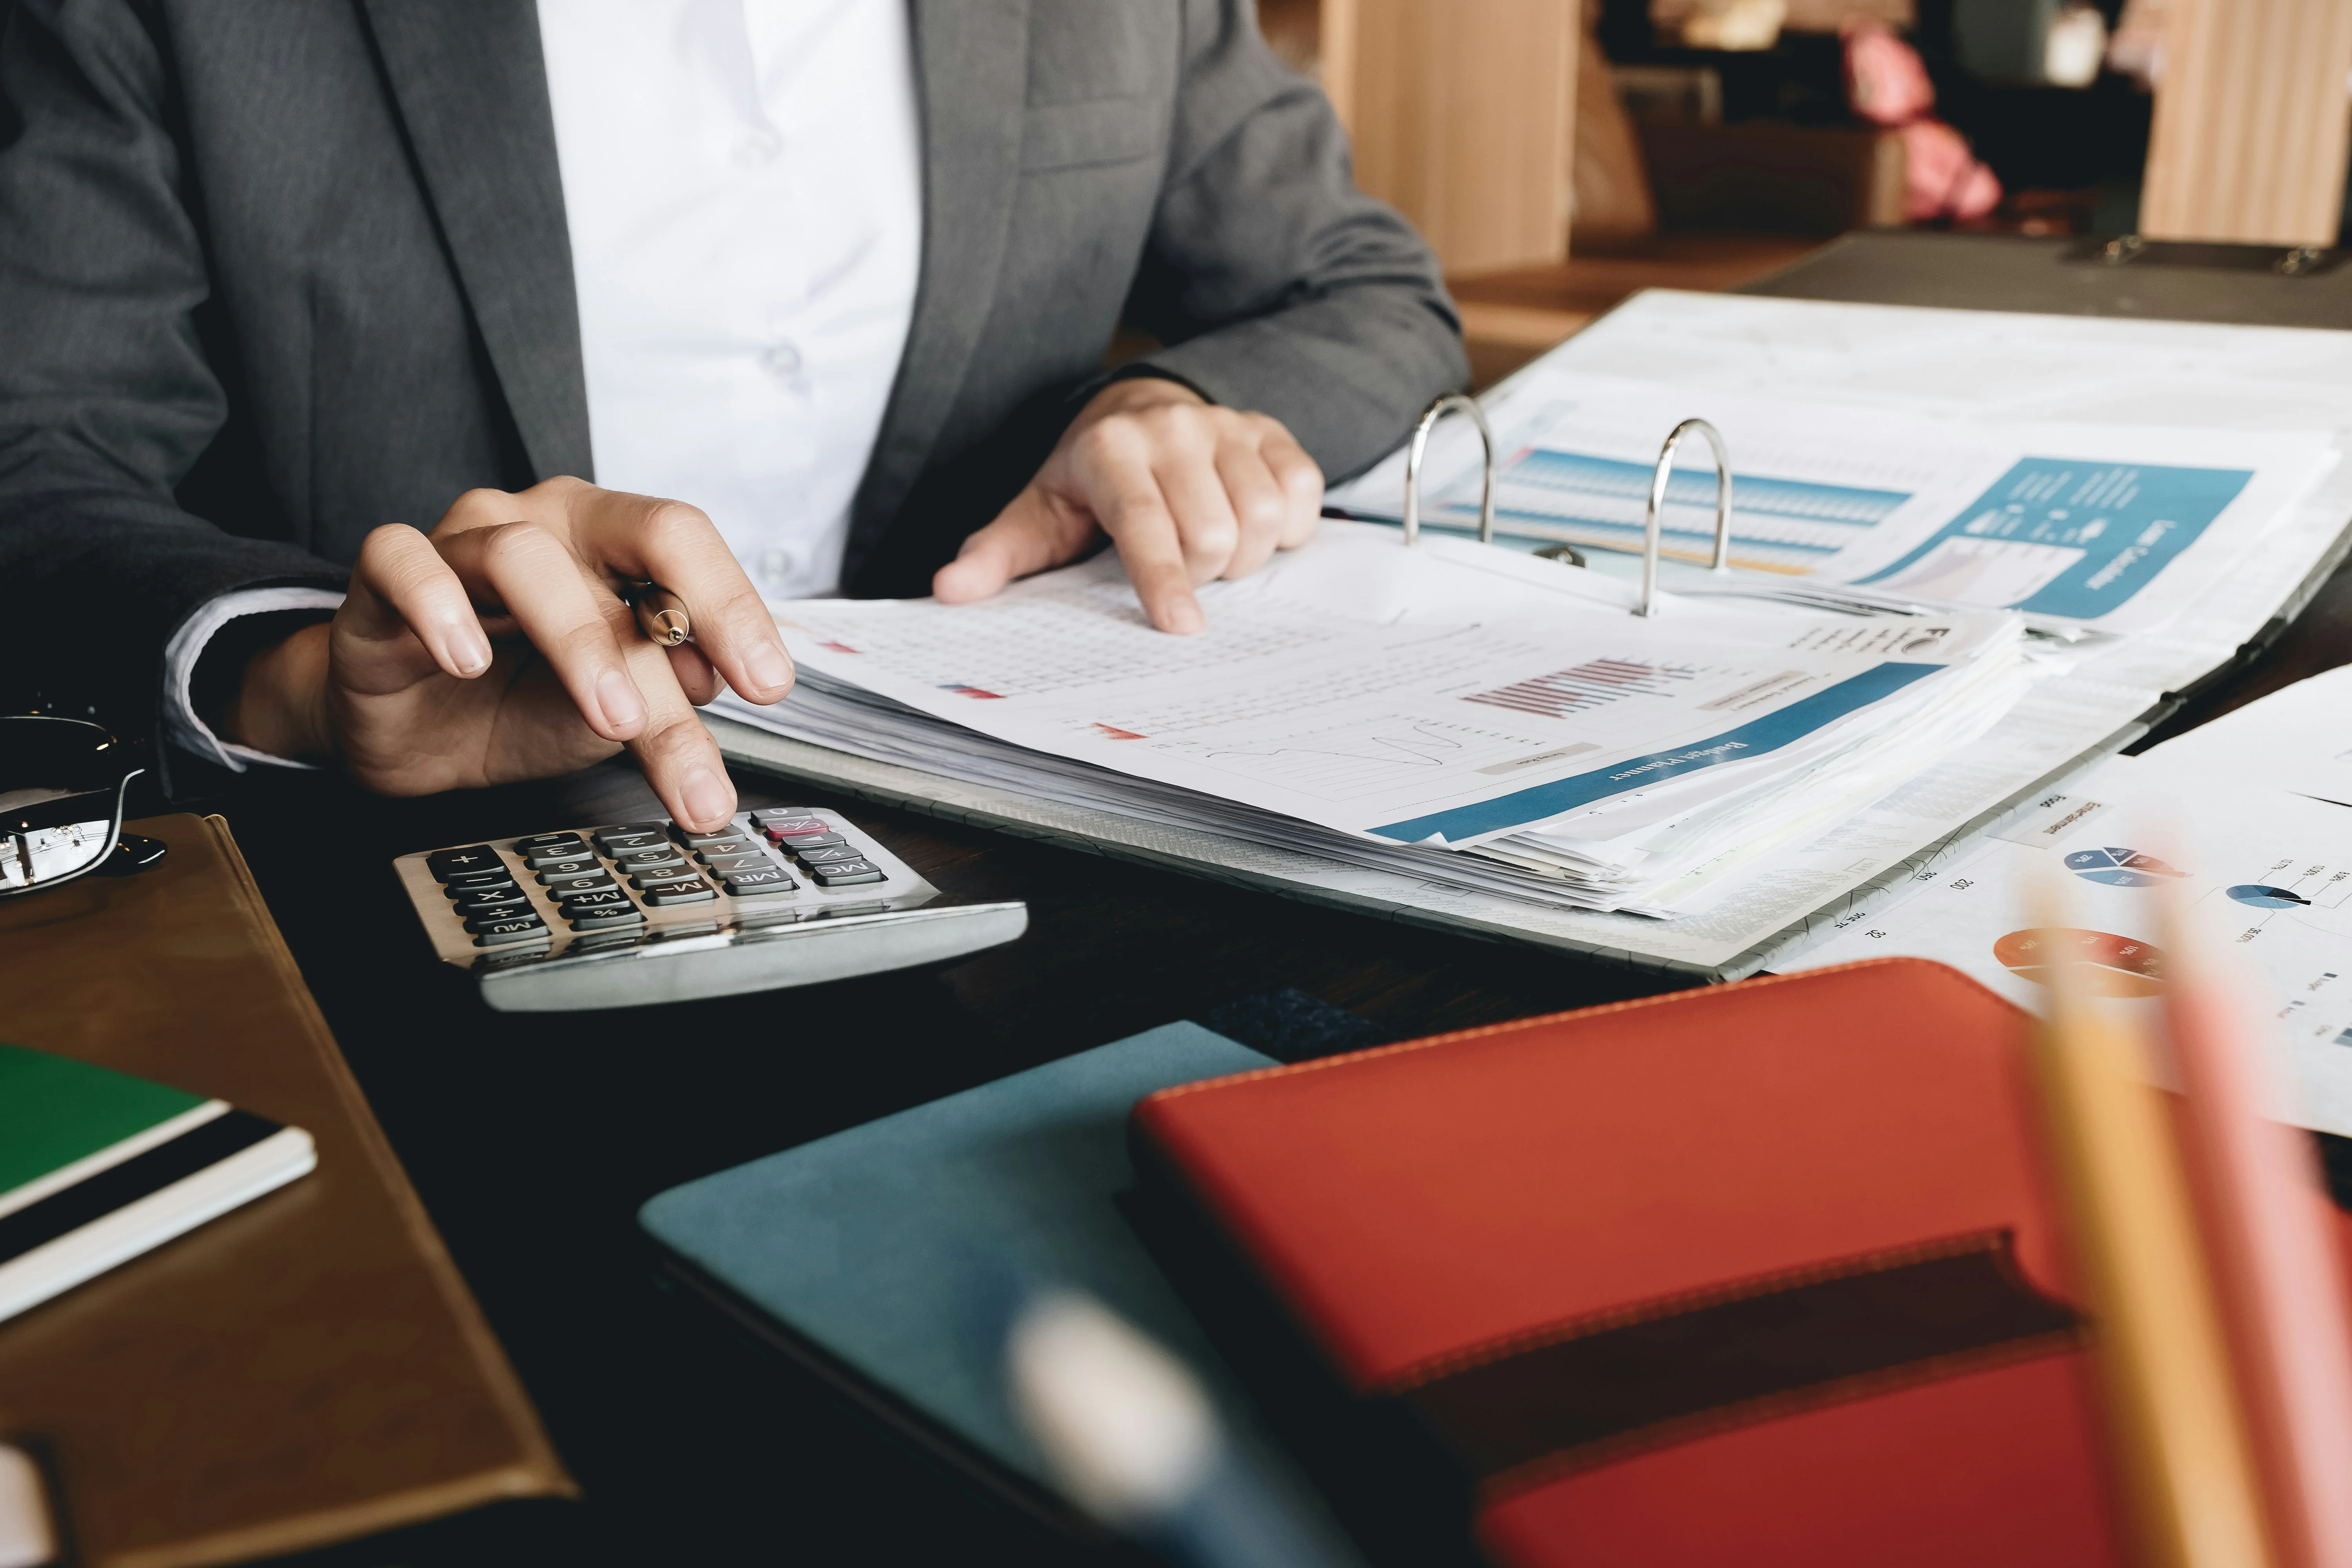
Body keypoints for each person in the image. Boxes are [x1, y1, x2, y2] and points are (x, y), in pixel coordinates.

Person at [0, 0, 1465, 830]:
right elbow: (35, 450)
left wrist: (1176, 404)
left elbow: (1369, 286)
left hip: (1038, 848)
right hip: (405, 894)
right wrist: (297, 681)